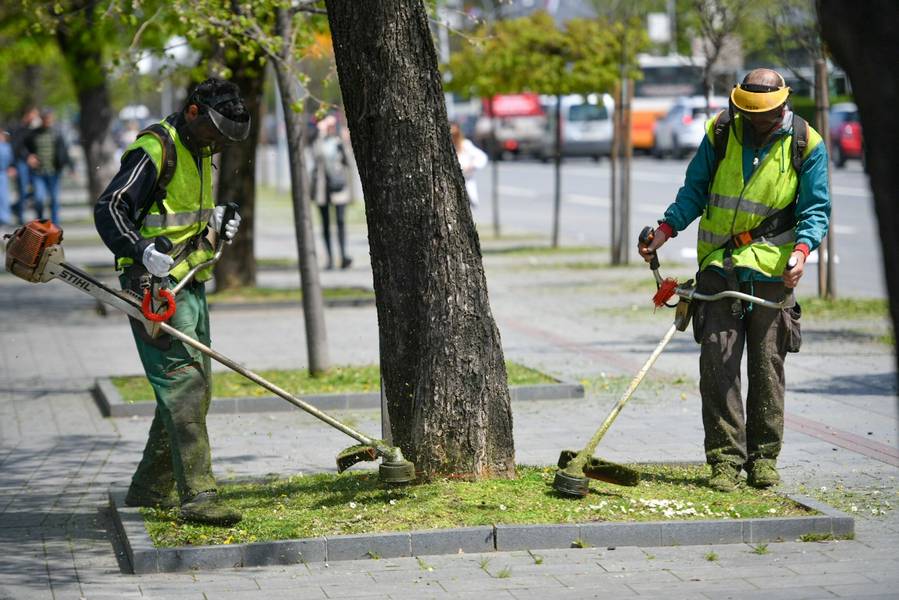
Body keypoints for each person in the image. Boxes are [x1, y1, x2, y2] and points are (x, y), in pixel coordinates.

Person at [638, 69, 830, 492]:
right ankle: (724, 461)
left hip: (771, 270)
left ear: (784, 104)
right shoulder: (723, 131)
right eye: (748, 113)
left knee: (767, 366)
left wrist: (801, 252)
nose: (756, 122)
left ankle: (763, 459)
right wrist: (665, 231)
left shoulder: (806, 144)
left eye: (764, 115)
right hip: (719, 264)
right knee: (718, 363)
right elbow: (695, 189)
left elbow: (815, 210)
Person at [94, 78, 249, 525]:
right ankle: (199, 495)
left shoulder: (201, 149)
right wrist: (142, 252)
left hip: (189, 283)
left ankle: (148, 488)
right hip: (152, 290)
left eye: (226, 138)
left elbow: (184, 214)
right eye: (215, 133)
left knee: (197, 387)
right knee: (184, 386)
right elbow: (111, 208)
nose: (218, 143)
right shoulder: (155, 148)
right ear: (194, 112)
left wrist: (218, 219)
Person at [312, 114, 353, 270]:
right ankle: (329, 258)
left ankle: (343, 256)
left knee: (341, 222)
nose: (330, 127)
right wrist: (320, 134)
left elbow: (349, 162)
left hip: (339, 188)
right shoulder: (318, 141)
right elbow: (316, 156)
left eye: (332, 124)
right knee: (325, 225)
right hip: (323, 189)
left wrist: (344, 142)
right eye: (327, 124)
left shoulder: (338, 142)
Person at [24, 109, 72, 225]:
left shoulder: (57, 133)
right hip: (38, 173)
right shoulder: (33, 134)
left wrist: (71, 167)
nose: (48, 120)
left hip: (54, 172)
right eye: (45, 118)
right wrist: (28, 156)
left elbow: (64, 151)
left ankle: (55, 225)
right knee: (39, 199)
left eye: (50, 118)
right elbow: (22, 148)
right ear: (41, 119)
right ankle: (40, 222)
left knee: (54, 200)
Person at [9, 106, 39, 225]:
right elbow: (17, 147)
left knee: (36, 189)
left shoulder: (33, 129)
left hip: (32, 163)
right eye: (33, 114)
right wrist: (27, 157)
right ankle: (20, 216)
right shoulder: (19, 129)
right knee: (22, 189)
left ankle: (15, 207)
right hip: (21, 162)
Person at [451, 121, 488, 209]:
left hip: (466, 180)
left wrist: (472, 165)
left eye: (454, 134)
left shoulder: (465, 145)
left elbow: (481, 157)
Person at [0, 130, 13, 227]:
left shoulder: (6, 146)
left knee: (3, 197)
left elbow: (11, 160)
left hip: (3, 174)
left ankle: (4, 218)